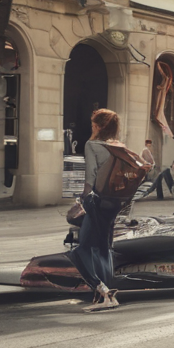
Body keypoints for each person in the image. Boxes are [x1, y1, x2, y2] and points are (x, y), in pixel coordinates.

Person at [68, 109, 123, 313]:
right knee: (103, 248)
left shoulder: (92, 145)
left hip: (97, 202)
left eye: (93, 125)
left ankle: (103, 292)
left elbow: (90, 177)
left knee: (81, 250)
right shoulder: (118, 146)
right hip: (114, 204)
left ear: (99, 127)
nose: (91, 128)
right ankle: (107, 295)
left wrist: (82, 199)